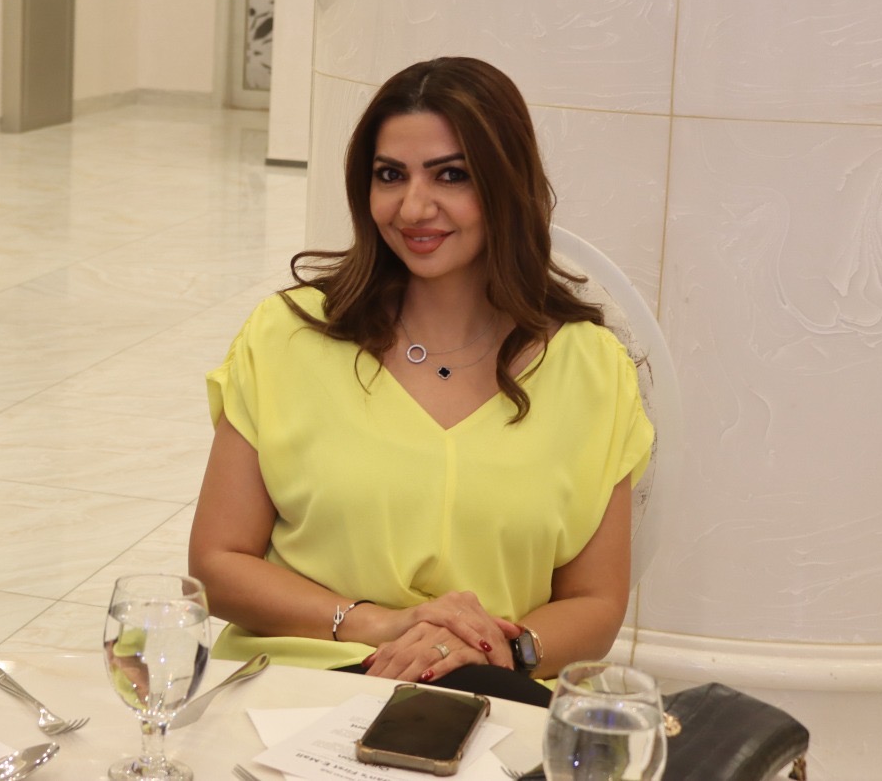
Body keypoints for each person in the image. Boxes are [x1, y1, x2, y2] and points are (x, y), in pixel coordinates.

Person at [189, 56, 653, 707]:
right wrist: (379, 625)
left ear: (507, 184)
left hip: (492, 694)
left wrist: (496, 648)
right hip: (301, 685)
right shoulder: (285, 337)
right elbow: (217, 565)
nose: (413, 207)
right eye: (390, 175)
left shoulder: (593, 370)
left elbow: (596, 603)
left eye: (451, 175)